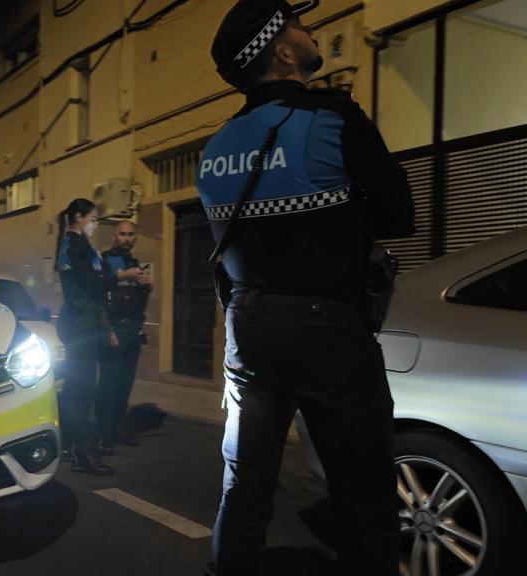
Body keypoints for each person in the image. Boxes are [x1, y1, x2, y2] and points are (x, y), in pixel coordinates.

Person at [199, 1, 416, 574]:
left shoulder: (215, 146)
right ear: (283, 50)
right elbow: (400, 214)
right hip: (329, 333)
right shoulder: (331, 118)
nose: (310, 29)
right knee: (363, 490)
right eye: (300, 24)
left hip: (248, 326)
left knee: (245, 483)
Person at [54, 199, 143, 476]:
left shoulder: (72, 244)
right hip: (81, 324)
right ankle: (82, 450)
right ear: (79, 218)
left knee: (76, 388)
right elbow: (93, 285)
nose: (95, 224)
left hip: (81, 322)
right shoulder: (76, 245)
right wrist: (121, 276)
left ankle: (69, 444)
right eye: (93, 219)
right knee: (83, 389)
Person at [96, 221, 153, 454]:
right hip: (113, 328)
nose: (127, 238)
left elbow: (135, 300)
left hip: (132, 330)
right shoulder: (103, 261)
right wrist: (108, 331)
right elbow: (98, 296)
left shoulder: (134, 262)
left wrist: (147, 287)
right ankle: (102, 435)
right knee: (108, 385)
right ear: (113, 236)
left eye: (131, 235)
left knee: (124, 384)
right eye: (122, 234)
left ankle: (117, 429)